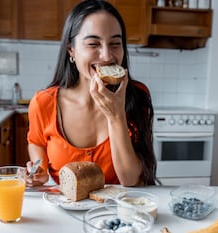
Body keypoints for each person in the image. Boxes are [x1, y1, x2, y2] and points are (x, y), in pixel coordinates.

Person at [26, 0, 158, 187]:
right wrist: (39, 169)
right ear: (71, 50)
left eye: (115, 43)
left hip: (117, 212)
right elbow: (36, 142)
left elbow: (131, 180)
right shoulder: (44, 102)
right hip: (65, 210)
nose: (107, 56)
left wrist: (116, 115)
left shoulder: (137, 96)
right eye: (93, 44)